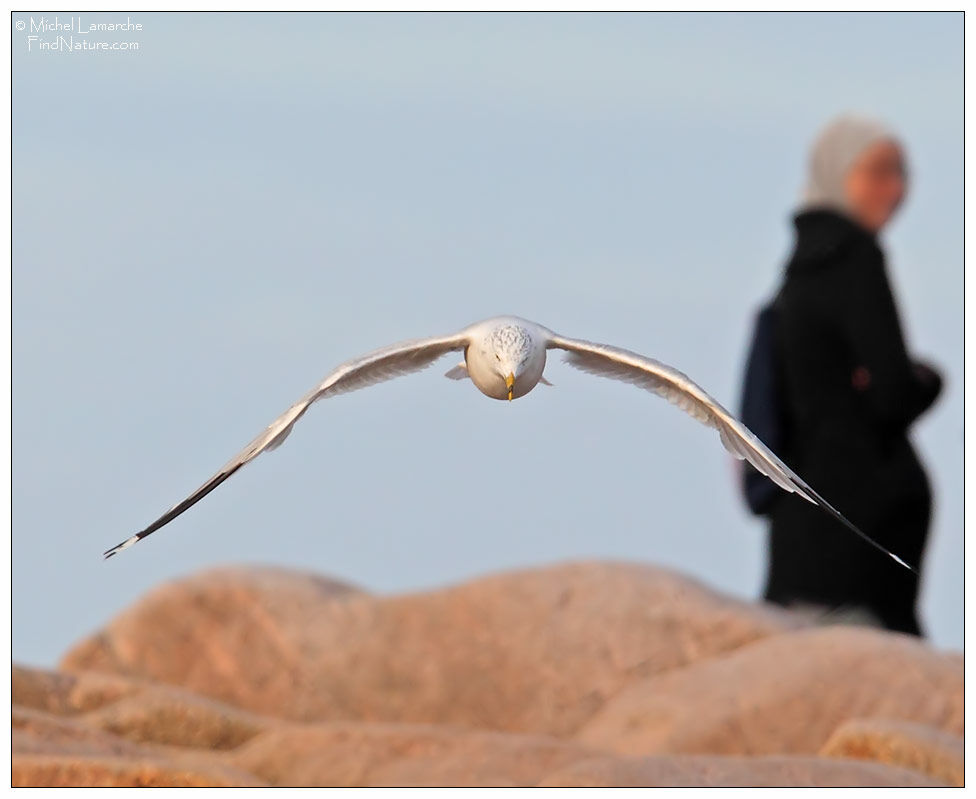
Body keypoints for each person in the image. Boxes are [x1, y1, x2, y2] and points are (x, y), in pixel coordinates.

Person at [756, 114, 942, 636]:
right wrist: (929, 379)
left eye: (901, 173)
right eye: (879, 172)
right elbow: (892, 395)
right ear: (839, 172)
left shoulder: (799, 265)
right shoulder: (856, 257)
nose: (897, 189)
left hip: (801, 532)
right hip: (861, 538)